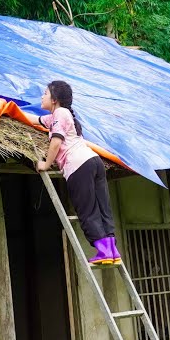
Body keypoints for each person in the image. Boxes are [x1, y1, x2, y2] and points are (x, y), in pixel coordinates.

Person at [34, 80, 122, 266]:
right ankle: (111, 249)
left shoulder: (60, 113)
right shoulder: (59, 116)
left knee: (87, 210)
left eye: (45, 93)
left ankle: (104, 252)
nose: (42, 96)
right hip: (93, 162)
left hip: (78, 166)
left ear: (55, 99)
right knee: (102, 207)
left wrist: (46, 164)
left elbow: (56, 141)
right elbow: (36, 120)